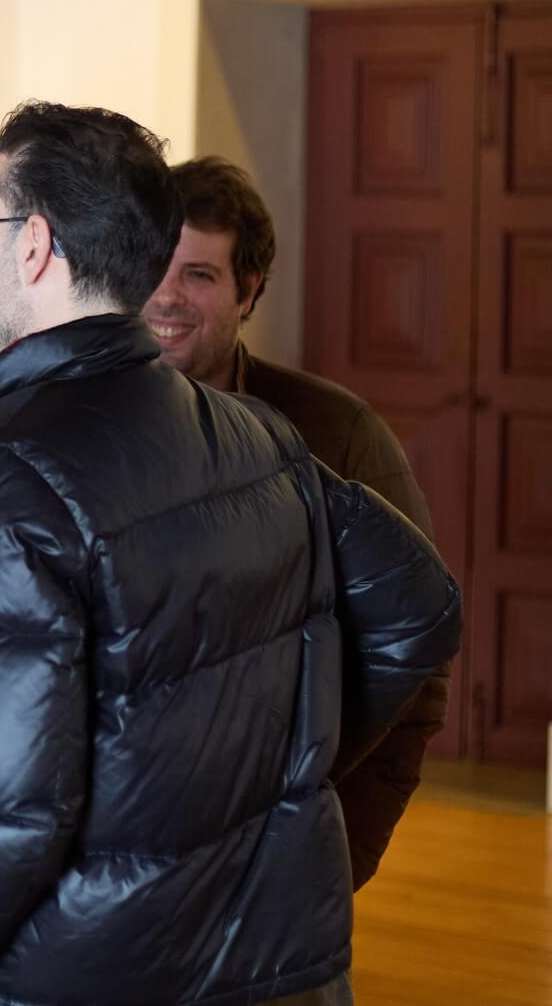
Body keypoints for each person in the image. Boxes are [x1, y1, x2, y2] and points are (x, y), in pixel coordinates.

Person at [0, 102, 462, 1005]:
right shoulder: (259, 434)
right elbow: (419, 606)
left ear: (34, 245)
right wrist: (271, 775)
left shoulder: (2, 472)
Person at [151, 155, 446, 887]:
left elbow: (418, 657)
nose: (167, 296)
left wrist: (341, 849)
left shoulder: (337, 434)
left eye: (199, 275)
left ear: (249, 289)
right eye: (156, 267)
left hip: (286, 848)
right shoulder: (90, 427)